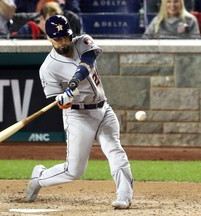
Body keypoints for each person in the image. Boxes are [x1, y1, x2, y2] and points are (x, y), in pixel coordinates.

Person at [25, 15, 134, 209]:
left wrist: (74, 81)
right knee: (74, 171)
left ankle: (124, 196)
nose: (63, 42)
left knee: (115, 150)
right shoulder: (48, 68)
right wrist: (64, 100)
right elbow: (59, 103)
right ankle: (39, 178)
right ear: (49, 38)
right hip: (78, 116)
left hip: (103, 108)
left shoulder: (83, 41)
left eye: (65, 36)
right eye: (57, 39)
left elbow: (88, 62)